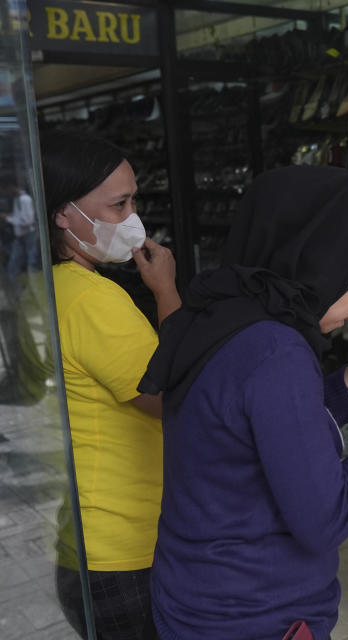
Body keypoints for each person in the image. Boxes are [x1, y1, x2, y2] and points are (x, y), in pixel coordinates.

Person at [142, 165, 348, 640]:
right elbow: (326, 517)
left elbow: (260, 430)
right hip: (251, 616)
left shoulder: (229, 315)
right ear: (333, 262)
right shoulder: (276, 349)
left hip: (201, 595)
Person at [40, 131, 181, 639]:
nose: (132, 218)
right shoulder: (93, 300)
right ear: (64, 213)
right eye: (119, 204)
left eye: (134, 200)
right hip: (121, 544)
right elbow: (174, 395)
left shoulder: (44, 285)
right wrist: (166, 293)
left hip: (82, 537)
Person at [3, 178, 40, 291]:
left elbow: (27, 221)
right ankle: (19, 289)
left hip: (28, 235)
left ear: (11, 187)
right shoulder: (17, 199)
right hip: (21, 237)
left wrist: (8, 219)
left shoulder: (25, 199)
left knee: (31, 264)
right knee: (14, 265)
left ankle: (34, 289)